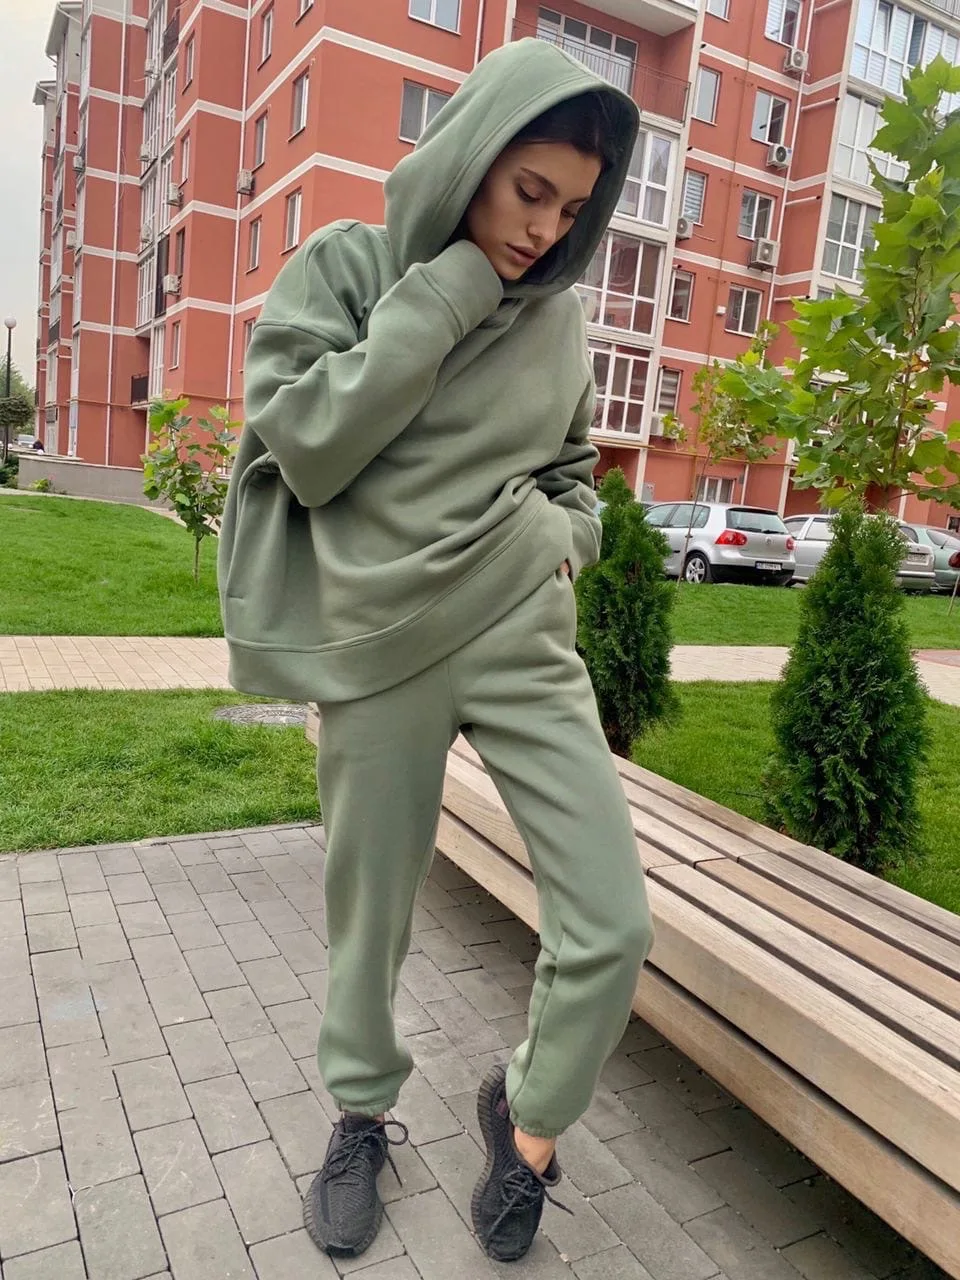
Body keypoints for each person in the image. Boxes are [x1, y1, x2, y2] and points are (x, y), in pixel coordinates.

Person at [219, 37, 653, 1265]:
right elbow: (307, 441)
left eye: (571, 206)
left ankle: (528, 1123)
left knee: (612, 919)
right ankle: (361, 1115)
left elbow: (574, 470)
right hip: (380, 640)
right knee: (371, 920)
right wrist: (455, 283)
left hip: (519, 631)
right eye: (529, 191)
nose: (545, 229)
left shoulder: (558, 320)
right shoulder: (347, 266)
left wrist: (566, 535)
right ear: (472, 155)